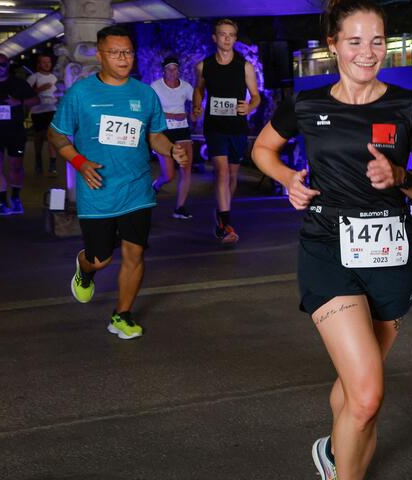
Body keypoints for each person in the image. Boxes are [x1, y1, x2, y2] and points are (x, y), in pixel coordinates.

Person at [252, 0, 412, 480]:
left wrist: (399, 175)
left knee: (359, 388)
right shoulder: (307, 104)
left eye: (377, 41)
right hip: (326, 249)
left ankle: (333, 453)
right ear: (333, 45)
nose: (367, 51)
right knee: (367, 394)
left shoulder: (408, 107)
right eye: (355, 41)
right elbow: (263, 149)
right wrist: (289, 178)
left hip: (389, 255)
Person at [48, 25, 189, 339]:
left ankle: (122, 314)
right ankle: (84, 270)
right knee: (101, 259)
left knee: (135, 253)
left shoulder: (144, 94)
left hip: (137, 189)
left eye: (128, 52)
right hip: (97, 190)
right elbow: (56, 134)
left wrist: (172, 149)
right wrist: (80, 163)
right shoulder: (81, 93)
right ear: (100, 55)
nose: (123, 58)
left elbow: (154, 135)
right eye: (115, 52)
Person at [192, 19, 261, 244]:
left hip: (237, 127)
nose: (227, 38)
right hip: (215, 127)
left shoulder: (245, 66)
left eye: (231, 34)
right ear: (215, 38)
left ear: (235, 38)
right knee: (221, 173)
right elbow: (199, 90)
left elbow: (256, 96)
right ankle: (225, 225)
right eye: (223, 34)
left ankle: (222, 211)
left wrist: (249, 107)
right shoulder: (204, 66)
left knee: (232, 176)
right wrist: (196, 106)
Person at [0, 52, 38, 216]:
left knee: (15, 167)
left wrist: (19, 102)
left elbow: (36, 100)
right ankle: (3, 203)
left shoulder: (18, 83)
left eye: (2, 64)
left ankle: (16, 199)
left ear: (8, 64)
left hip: (15, 132)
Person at [151, 57, 195, 219]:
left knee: (186, 169)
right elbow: (150, 110)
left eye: (175, 68)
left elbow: (197, 103)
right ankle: (156, 185)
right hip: (164, 132)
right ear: (164, 70)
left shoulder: (185, 87)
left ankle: (180, 208)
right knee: (169, 176)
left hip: (182, 131)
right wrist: (171, 115)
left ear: (178, 70)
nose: (172, 72)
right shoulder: (155, 87)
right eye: (169, 69)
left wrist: (195, 112)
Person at [27, 53, 60, 176]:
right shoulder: (33, 77)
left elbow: (61, 91)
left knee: (52, 137)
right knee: (39, 137)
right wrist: (40, 89)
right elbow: (26, 94)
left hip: (52, 109)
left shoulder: (55, 77)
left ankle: (52, 165)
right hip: (38, 111)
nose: (47, 64)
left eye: (49, 62)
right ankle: (38, 159)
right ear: (39, 64)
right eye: (44, 62)